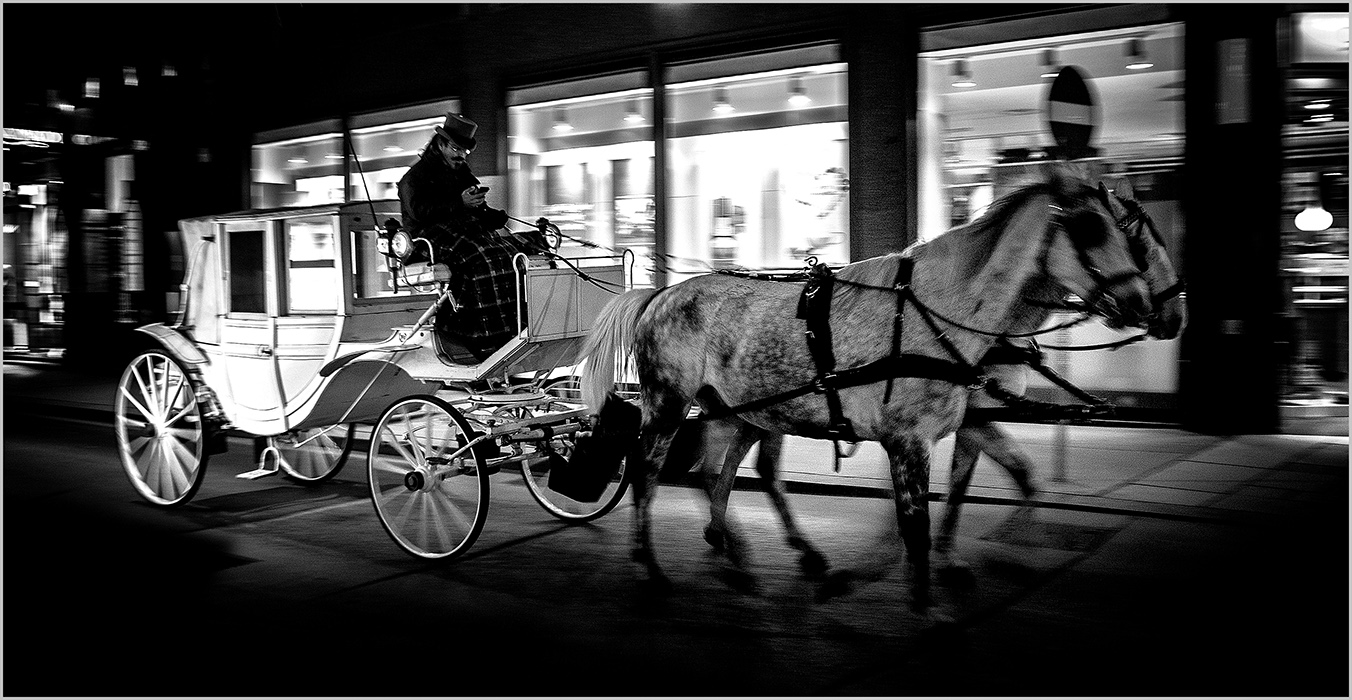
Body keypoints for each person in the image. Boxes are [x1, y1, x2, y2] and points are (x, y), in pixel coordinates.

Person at [397, 112, 549, 361]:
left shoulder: (461, 173)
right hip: (428, 238)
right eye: (456, 149)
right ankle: (481, 333)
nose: (460, 155)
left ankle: (518, 326)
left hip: (464, 231)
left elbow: (475, 210)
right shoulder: (415, 178)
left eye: (464, 152)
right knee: (483, 256)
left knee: (518, 250)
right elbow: (419, 213)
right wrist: (460, 203)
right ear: (440, 144)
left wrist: (491, 216)